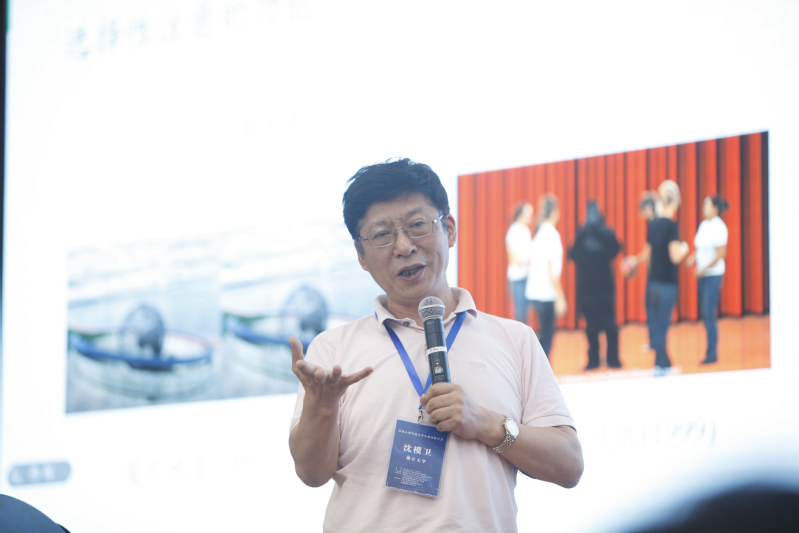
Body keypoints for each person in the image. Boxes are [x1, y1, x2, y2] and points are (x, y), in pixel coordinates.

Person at [288, 158, 583, 532]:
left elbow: (568, 464)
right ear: (361, 256)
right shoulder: (333, 351)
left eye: (417, 225)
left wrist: (488, 424)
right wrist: (322, 406)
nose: (404, 246)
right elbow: (312, 473)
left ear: (449, 229)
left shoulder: (515, 339)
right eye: (382, 235)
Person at [627, 181, 689, 373]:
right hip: (667, 284)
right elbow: (674, 256)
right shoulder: (671, 225)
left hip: (653, 282)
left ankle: (664, 362)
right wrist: (685, 248)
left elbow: (649, 254)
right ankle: (660, 365)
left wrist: (635, 262)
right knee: (663, 327)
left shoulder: (653, 225)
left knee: (658, 326)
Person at [567, 201, 622, 370]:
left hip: (593, 289)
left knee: (600, 326)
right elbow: (615, 249)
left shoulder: (587, 233)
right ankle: (607, 359)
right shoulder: (595, 233)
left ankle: (602, 359)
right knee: (599, 326)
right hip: (598, 288)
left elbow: (573, 254)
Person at [686, 195, 728, 365]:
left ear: (715, 209)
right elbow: (700, 248)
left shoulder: (719, 227)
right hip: (703, 275)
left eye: (707, 205)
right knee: (705, 313)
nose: (704, 208)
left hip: (713, 275)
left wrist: (703, 269)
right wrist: (693, 258)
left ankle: (711, 354)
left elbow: (721, 254)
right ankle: (710, 351)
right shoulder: (704, 225)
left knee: (709, 313)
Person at [525, 194, 567, 357]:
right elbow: (551, 269)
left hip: (536, 291)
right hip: (546, 293)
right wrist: (560, 296)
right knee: (547, 338)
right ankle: (541, 370)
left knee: (543, 336)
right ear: (555, 212)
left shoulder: (540, 232)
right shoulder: (551, 234)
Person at [505, 202, 534, 323]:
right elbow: (513, 259)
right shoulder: (513, 232)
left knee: (527, 312)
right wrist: (529, 260)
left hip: (528, 276)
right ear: (521, 215)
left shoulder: (526, 230)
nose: (531, 217)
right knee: (520, 313)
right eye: (529, 214)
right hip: (517, 278)